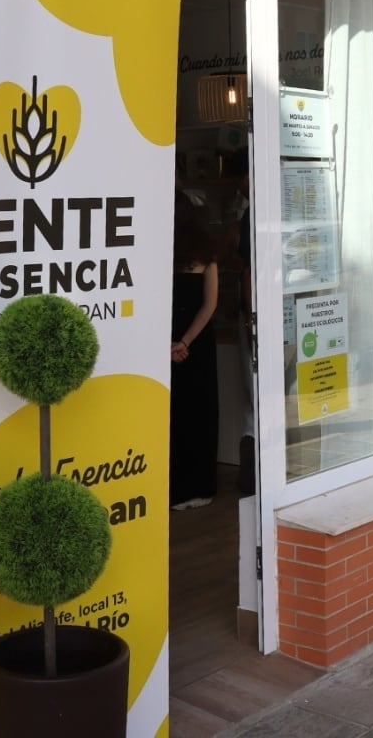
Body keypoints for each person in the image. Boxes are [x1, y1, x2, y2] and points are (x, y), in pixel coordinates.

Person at [171, 198, 221, 510]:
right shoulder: (208, 257)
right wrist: (187, 342)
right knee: (201, 413)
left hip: (172, 341)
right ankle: (201, 486)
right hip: (196, 344)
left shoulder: (161, 254)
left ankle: (177, 487)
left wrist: (174, 342)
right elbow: (210, 304)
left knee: (176, 415)